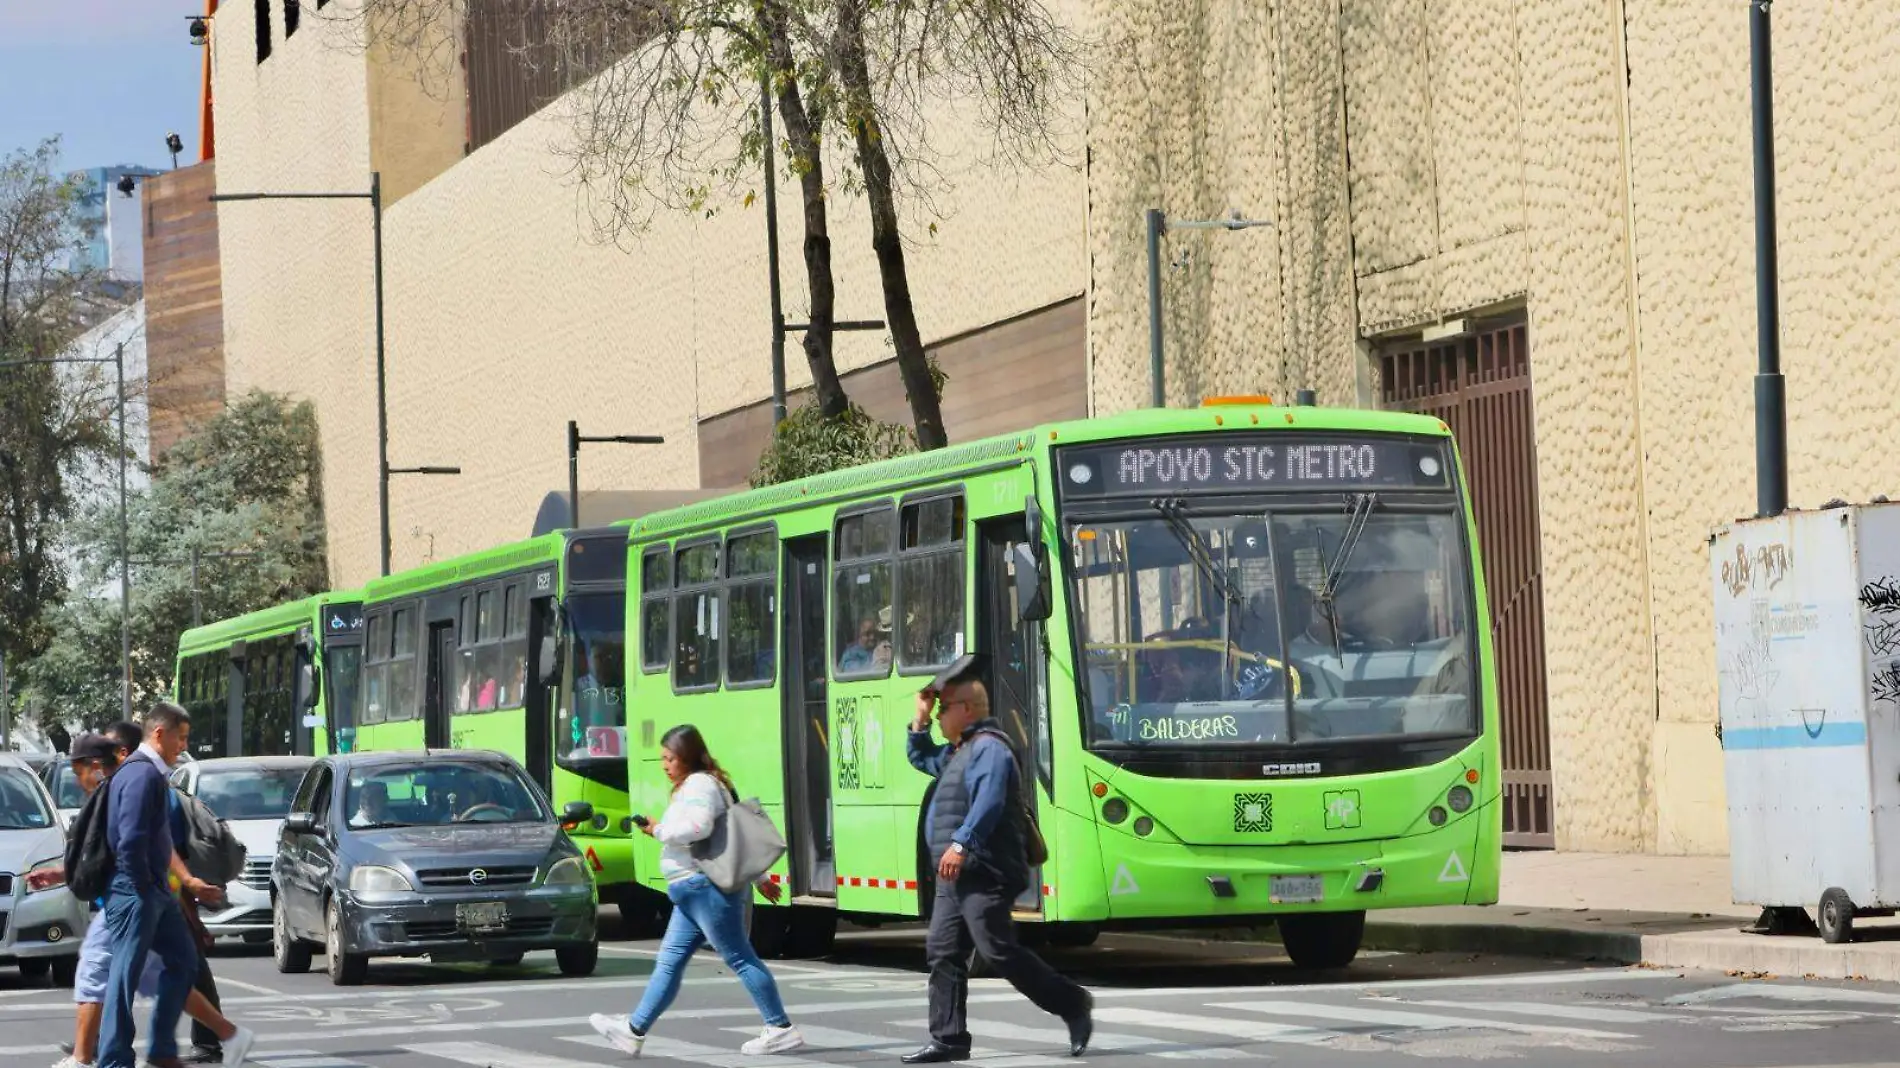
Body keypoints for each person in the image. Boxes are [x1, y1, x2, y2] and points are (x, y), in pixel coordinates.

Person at [904, 654, 1092, 1064]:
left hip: (983, 870)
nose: (938, 717)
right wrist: (919, 718)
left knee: (998, 949)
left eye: (942, 708)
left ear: (966, 709)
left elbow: (987, 803)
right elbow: (920, 758)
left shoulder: (990, 750)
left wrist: (960, 844)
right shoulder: (958, 752)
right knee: (943, 951)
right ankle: (948, 1038)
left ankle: (1072, 1003)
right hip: (957, 875)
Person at [588, 725, 804, 1058]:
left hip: (704, 888)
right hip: (691, 892)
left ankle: (780, 1027)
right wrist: (760, 879)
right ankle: (634, 1030)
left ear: (687, 757)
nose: (664, 765)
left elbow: (700, 828)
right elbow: (728, 840)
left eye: (670, 758)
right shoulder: (699, 784)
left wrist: (658, 830)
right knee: (669, 962)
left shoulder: (700, 785)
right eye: (663, 758)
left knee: (739, 957)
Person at [55, 733, 256, 1068]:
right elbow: (107, 853)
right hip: (137, 900)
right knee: (158, 976)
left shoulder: (143, 787)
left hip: (141, 900)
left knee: (97, 969)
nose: (80, 780)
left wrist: (184, 891)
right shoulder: (123, 787)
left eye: (82, 770)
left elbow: (164, 848)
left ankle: (88, 1056)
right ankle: (226, 1034)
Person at [97, 703, 205, 1068]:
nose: (184, 746)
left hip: (152, 889)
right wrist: (144, 886)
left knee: (184, 960)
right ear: (160, 734)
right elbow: (128, 840)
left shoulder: (150, 774)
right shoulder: (141, 775)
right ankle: (114, 1058)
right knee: (124, 975)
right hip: (135, 891)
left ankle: (160, 1048)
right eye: (181, 737)